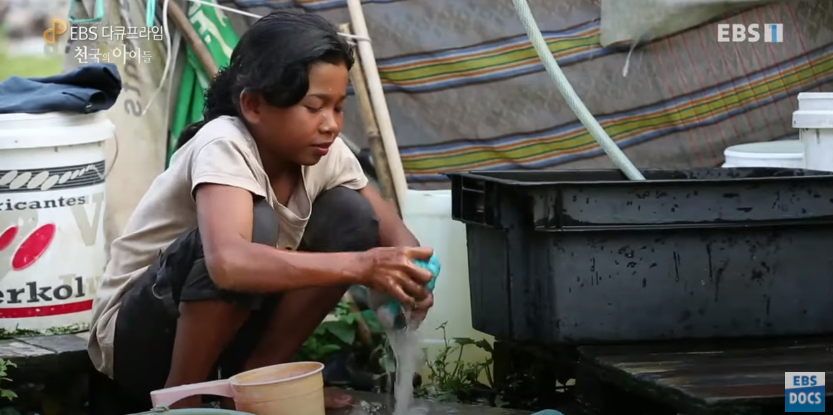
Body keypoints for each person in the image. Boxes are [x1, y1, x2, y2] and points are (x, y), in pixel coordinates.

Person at [86, 10, 435, 414]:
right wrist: (363, 267)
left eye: (339, 107)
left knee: (353, 216)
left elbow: (397, 238)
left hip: (224, 334)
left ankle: (261, 382)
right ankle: (183, 398)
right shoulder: (224, 144)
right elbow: (229, 264)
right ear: (253, 105)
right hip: (140, 342)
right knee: (256, 227)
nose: (331, 125)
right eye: (315, 106)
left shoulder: (326, 152)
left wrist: (412, 277)